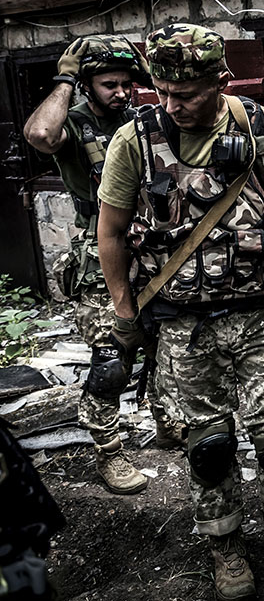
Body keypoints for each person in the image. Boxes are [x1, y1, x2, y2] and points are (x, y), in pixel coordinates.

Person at [95, 23, 264, 600]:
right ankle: (225, 545)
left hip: (263, 316)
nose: (171, 105)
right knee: (208, 447)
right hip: (182, 323)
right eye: (162, 92)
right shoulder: (134, 140)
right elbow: (111, 232)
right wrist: (124, 314)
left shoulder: (263, 128)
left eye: (186, 94)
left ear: (221, 81)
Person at [22, 34, 186, 496]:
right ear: (88, 85)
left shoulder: (140, 120)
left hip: (150, 250)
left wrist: (151, 77)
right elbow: (40, 135)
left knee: (164, 345)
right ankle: (109, 450)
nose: (121, 92)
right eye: (109, 84)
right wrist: (65, 79)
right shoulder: (73, 124)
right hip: (99, 256)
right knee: (112, 358)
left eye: (126, 83)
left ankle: (168, 422)